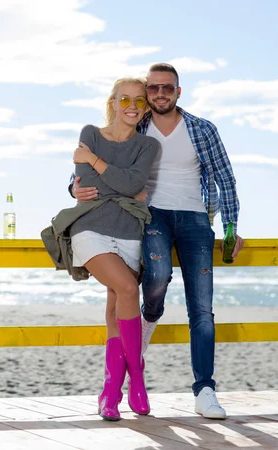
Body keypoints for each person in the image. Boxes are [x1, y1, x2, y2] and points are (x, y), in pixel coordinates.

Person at [71, 63, 244, 419]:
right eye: (154, 89)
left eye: (168, 88)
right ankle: (145, 327)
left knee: (203, 308)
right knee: (156, 276)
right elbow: (85, 167)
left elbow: (225, 178)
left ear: (178, 92)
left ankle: (205, 389)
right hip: (151, 217)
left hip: (196, 217)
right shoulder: (137, 125)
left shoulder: (201, 129)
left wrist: (229, 227)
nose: (159, 94)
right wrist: (73, 186)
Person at [42, 77, 160, 421]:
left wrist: (94, 161)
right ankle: (134, 381)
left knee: (115, 310)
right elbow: (90, 188)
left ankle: (109, 392)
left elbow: (134, 185)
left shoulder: (148, 147)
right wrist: (121, 184)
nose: (133, 107)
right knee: (127, 288)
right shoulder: (91, 132)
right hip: (90, 227)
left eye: (140, 101)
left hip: (129, 233)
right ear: (113, 101)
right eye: (125, 99)